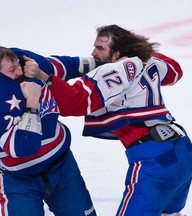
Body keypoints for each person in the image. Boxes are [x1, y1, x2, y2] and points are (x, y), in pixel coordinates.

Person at [22, 25, 192, 216]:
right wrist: (139, 48)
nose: (93, 53)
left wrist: (44, 78)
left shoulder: (115, 69)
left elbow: (75, 102)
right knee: (169, 213)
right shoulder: (149, 61)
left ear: (117, 53)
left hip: (155, 160)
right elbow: (175, 71)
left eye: (100, 48)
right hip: (182, 150)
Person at [0, 46, 98, 216]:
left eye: (19, 65)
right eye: (13, 70)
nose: (21, 71)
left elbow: (63, 65)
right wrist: (32, 102)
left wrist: (102, 62)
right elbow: (24, 147)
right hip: (20, 179)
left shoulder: (27, 64)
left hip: (62, 166)